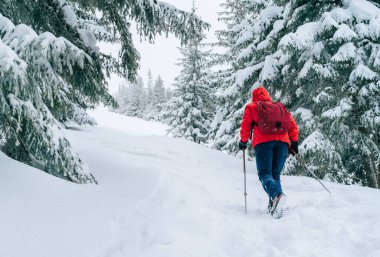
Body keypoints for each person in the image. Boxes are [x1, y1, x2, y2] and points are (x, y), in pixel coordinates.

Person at [239, 86, 299, 217]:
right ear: (267, 95)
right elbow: (292, 124)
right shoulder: (279, 107)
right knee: (275, 174)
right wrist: (294, 142)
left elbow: (245, 126)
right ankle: (274, 206)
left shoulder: (252, 107)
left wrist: (243, 141)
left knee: (265, 174)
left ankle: (277, 195)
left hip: (263, 143)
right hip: (283, 143)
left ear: (254, 97)